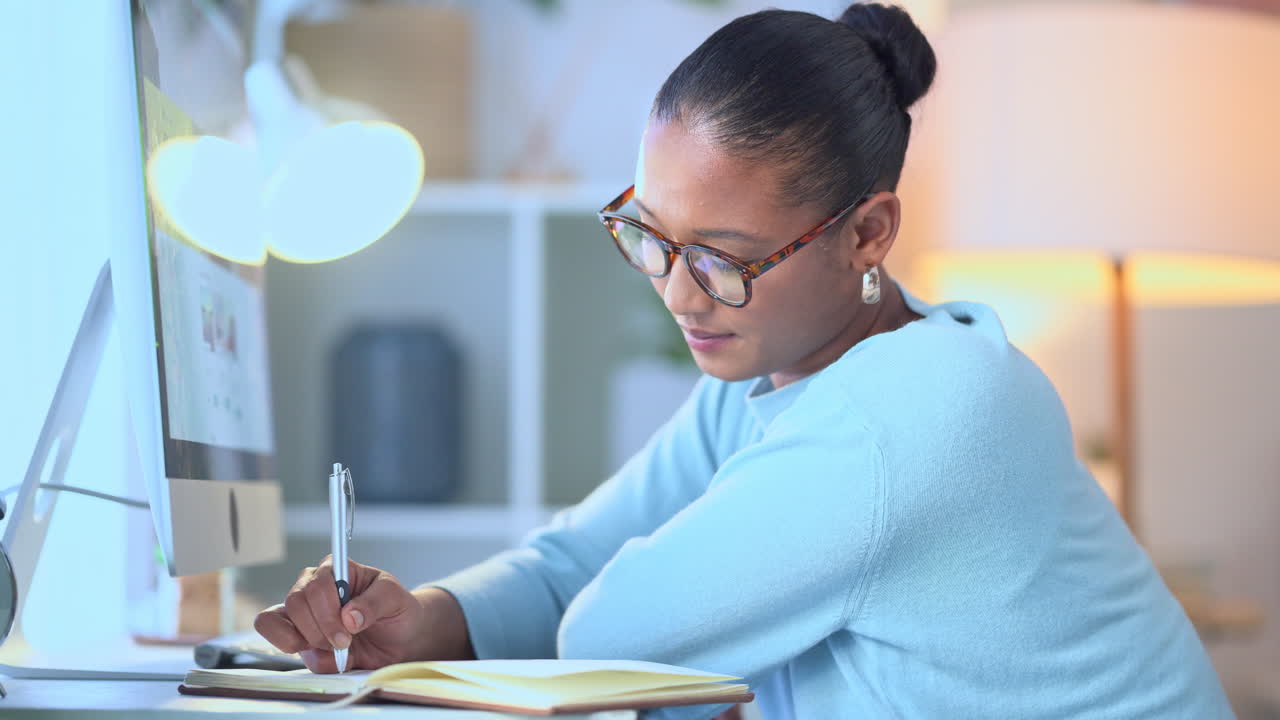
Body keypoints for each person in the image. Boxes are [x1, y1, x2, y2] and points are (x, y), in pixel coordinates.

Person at [256, 4, 1233, 718]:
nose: (678, 294)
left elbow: (605, 636)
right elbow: (572, 566)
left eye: (722, 258)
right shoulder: (779, 369)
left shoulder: (912, 408)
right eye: (650, 234)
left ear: (867, 233)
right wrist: (421, 619)